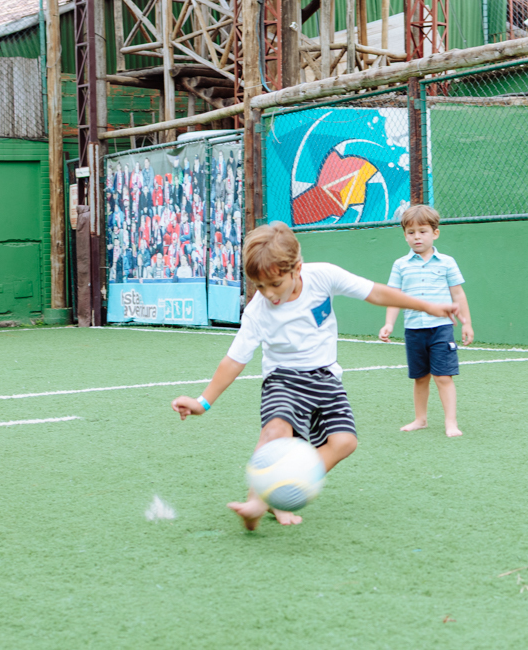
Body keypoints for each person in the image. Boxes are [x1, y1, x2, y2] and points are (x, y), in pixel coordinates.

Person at [171, 222, 464, 530]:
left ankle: (284, 489)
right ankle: (257, 501)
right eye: (259, 286)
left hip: (326, 378)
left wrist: (427, 306)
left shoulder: (322, 276)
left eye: (274, 284)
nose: (268, 294)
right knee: (275, 431)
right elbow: (234, 360)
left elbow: (375, 293)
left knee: (345, 442)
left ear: (296, 269)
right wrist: (203, 402)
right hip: (283, 379)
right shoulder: (257, 311)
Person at [378, 205, 473, 438]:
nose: (417, 237)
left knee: (443, 376)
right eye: (411, 232)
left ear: (435, 233)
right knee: (420, 378)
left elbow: (458, 294)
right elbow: (394, 297)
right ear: (405, 236)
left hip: (441, 329)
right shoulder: (400, 265)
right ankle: (420, 420)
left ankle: (451, 422)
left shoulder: (447, 262)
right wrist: (389, 323)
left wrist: (467, 323)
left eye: (423, 231)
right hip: (413, 330)